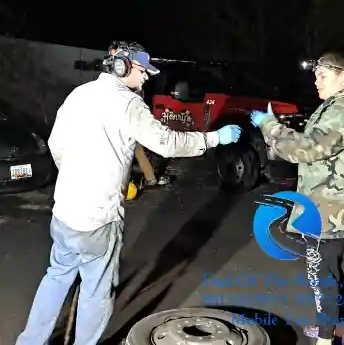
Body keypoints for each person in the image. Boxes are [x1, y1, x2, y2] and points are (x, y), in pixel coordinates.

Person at [16, 42, 242, 345]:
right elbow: (166, 143)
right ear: (122, 66)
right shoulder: (127, 103)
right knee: (96, 292)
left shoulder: (78, 95)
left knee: (56, 278)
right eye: (142, 70)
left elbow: (57, 145)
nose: (147, 77)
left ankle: (30, 341)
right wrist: (214, 138)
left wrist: (76, 179)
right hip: (98, 218)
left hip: (65, 213)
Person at [250, 52, 344, 345]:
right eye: (315, 75)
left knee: (321, 275)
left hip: (330, 209)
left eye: (323, 75)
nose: (315, 81)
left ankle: (324, 339)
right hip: (337, 205)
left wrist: (270, 125)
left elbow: (305, 149)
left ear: (342, 77)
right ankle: (336, 330)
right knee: (330, 270)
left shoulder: (341, 110)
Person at [107, 41, 170, 187]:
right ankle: (147, 179)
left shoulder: (134, 92)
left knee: (136, 151)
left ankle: (149, 178)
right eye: (142, 72)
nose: (145, 77)